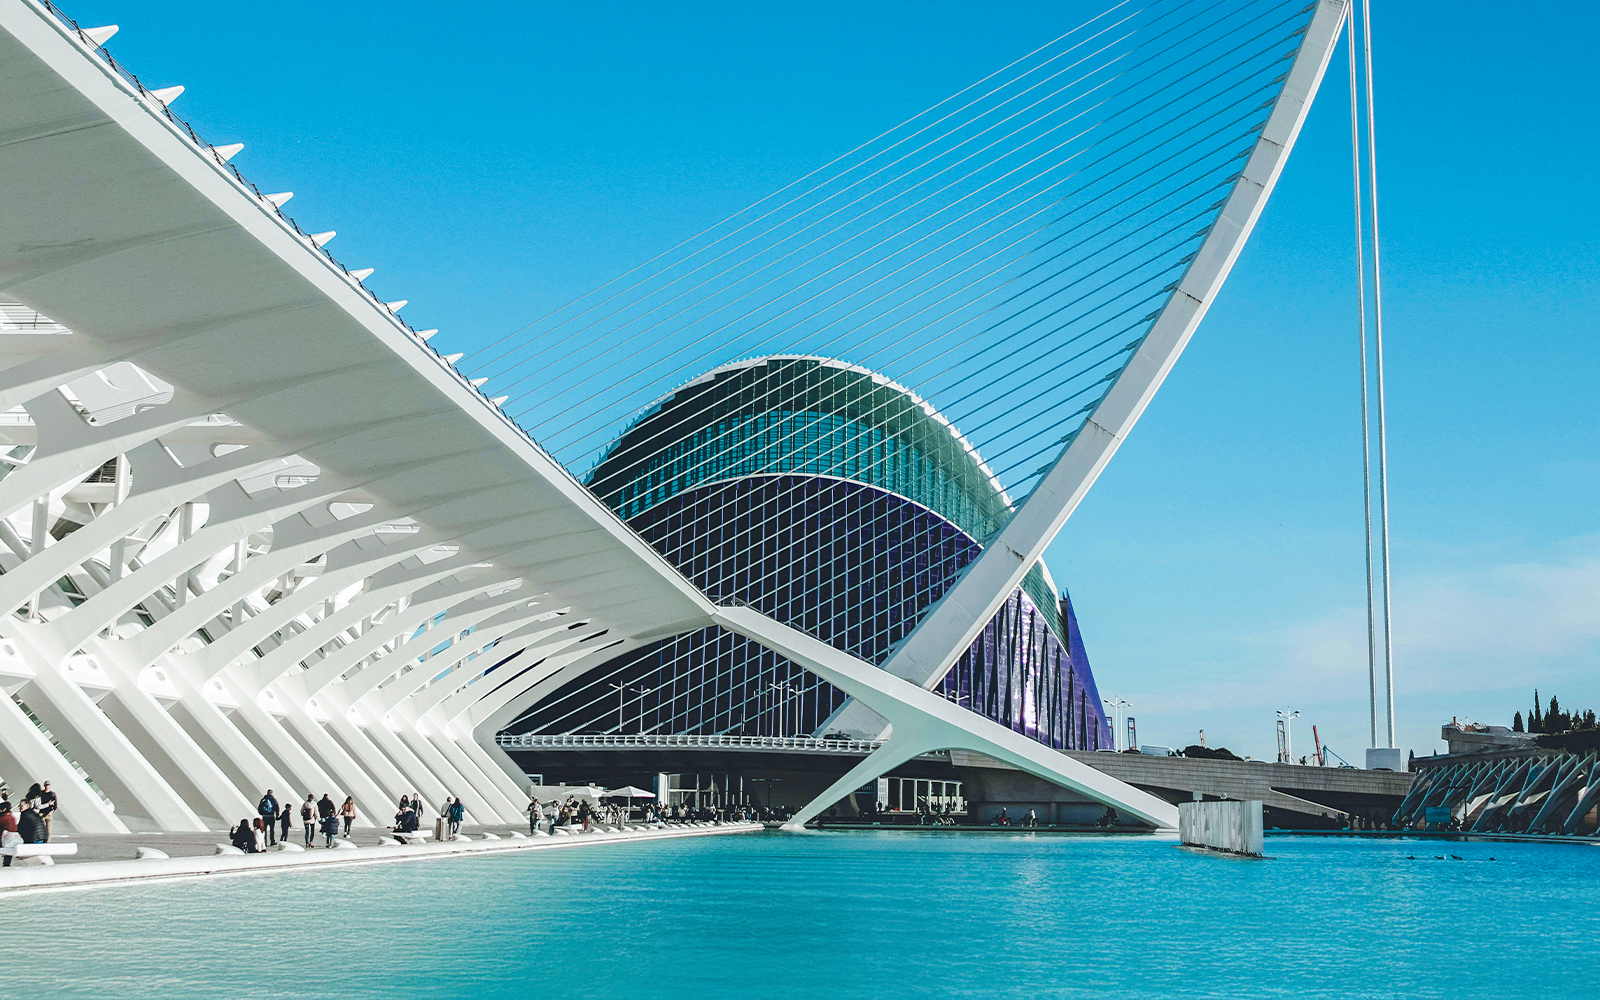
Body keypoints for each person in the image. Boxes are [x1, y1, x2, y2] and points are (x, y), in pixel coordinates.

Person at [0, 800, 18, 867]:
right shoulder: (12, 816)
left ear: (4, 809)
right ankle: (7, 863)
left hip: (6, 838)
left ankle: (6, 864)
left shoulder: (3, 818)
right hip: (12, 838)